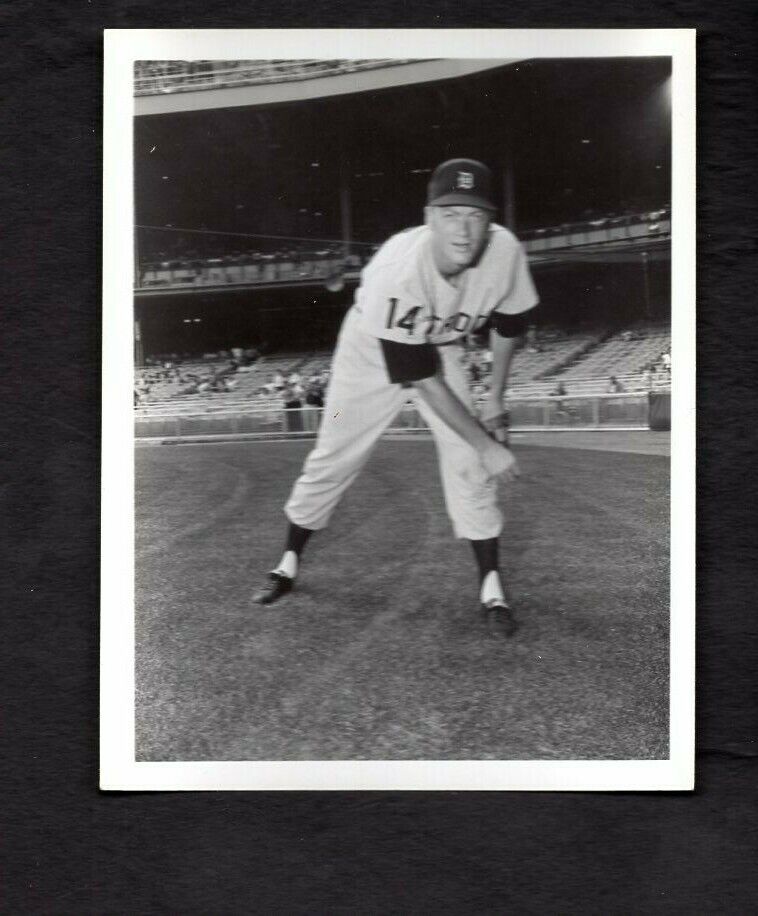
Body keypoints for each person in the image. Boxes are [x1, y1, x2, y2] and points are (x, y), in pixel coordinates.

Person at [253, 159, 539, 636]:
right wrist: (490, 445)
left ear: (490, 221)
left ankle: (491, 583)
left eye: (475, 215)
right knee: (334, 455)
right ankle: (287, 562)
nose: (464, 230)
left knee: (467, 459)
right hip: (368, 352)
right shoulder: (397, 270)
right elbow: (420, 377)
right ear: (428, 217)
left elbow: (511, 323)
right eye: (451, 214)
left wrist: (494, 400)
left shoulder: (505, 251)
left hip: (440, 347)